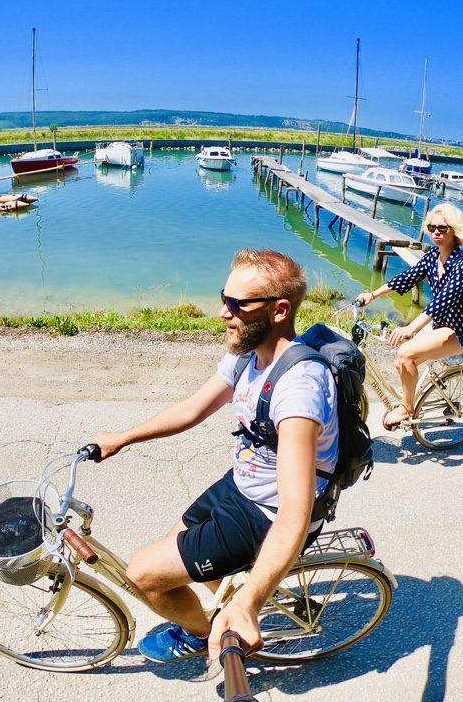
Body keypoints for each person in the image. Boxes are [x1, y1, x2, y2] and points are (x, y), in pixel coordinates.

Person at [93, 248, 338, 663]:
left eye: (238, 304)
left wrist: (250, 603)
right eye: (224, 298)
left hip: (266, 510)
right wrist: (123, 437)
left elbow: (295, 511)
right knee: (172, 546)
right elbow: (192, 409)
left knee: (144, 576)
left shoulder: (300, 390)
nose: (224, 312)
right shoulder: (249, 354)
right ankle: (227, 596)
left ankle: (206, 633)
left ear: (279, 310)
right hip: (242, 482)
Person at [355, 202, 463, 430]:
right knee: (401, 362)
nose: (436, 233)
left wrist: (410, 328)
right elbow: (407, 277)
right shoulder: (433, 256)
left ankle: (407, 408)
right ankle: (416, 399)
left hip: (462, 331)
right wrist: (372, 294)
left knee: (405, 354)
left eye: (443, 228)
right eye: (432, 227)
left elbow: (444, 301)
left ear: (455, 230)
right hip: (441, 325)